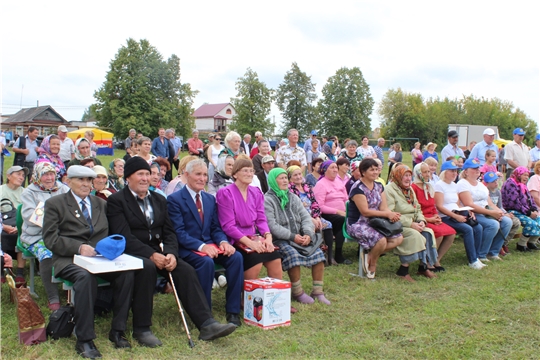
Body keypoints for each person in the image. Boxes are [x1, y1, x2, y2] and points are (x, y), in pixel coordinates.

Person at [107, 157, 236, 345]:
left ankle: (206, 324)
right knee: (148, 268)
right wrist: (151, 255)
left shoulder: (158, 199)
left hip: (160, 250)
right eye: (140, 174)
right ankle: (142, 328)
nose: (145, 178)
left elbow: (169, 231)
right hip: (133, 251)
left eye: (147, 174)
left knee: (185, 270)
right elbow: (123, 235)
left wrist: (171, 254)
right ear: (128, 177)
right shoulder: (116, 201)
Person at [43, 166, 136, 358]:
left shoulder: (100, 204)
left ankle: (118, 331)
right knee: (85, 278)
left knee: (127, 274)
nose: (86, 184)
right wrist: (78, 247)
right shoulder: (55, 203)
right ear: (68, 181)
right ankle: (84, 339)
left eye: (88, 180)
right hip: (69, 259)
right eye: (80, 180)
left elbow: (109, 233)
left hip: (99, 259)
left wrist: (111, 249)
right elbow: (50, 239)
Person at [167, 159, 244, 326]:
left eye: (205, 175)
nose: (202, 178)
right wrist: (202, 246)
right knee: (206, 262)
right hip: (188, 248)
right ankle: (204, 314)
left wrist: (223, 241)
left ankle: (233, 311)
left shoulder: (209, 199)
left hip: (211, 245)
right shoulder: (174, 200)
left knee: (236, 257)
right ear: (186, 175)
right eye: (198, 174)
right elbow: (179, 233)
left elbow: (215, 227)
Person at [265, 167, 330, 305]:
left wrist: (307, 234)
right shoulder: (267, 199)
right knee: (292, 255)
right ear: (273, 180)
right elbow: (272, 225)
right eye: (281, 178)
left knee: (318, 254)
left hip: (301, 236)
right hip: (282, 239)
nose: (284, 181)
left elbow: (306, 217)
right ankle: (297, 292)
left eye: (285, 178)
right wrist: (292, 236)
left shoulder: (293, 197)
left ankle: (317, 291)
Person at [216, 158, 282, 282]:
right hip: (235, 239)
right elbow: (228, 226)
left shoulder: (256, 192)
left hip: (254, 236)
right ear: (235, 174)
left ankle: (276, 296)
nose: (249, 174)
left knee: (275, 258)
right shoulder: (225, 193)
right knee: (255, 260)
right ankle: (245, 298)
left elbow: (261, 219)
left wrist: (268, 237)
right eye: (245, 170)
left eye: (251, 171)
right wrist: (250, 243)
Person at [21, 163, 70, 309]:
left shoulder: (63, 188)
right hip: (36, 235)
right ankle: (53, 296)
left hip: (62, 231)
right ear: (37, 176)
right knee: (47, 254)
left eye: (52, 174)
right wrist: (57, 222)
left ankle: (73, 289)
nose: (49, 178)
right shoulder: (29, 192)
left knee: (78, 248)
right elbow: (31, 215)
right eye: (45, 174)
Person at [347, 159, 404, 278]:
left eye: (377, 169)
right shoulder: (357, 188)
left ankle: (370, 256)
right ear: (363, 171)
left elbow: (384, 207)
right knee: (381, 240)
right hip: (358, 223)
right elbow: (365, 212)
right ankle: (373, 264)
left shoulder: (379, 186)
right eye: (371, 170)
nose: (375, 172)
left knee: (398, 239)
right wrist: (387, 215)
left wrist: (392, 215)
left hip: (377, 221)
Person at [385, 165, 438, 282]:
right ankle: (403, 271)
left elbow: (417, 208)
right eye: (405, 176)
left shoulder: (410, 189)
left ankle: (423, 267)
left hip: (413, 222)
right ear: (398, 176)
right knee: (415, 235)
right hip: (396, 224)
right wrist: (411, 224)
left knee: (428, 232)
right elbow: (391, 213)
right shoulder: (389, 189)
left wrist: (421, 221)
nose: (408, 179)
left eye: (409, 175)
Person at [457, 158, 512, 261]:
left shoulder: (480, 185)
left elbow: (489, 202)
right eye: (473, 168)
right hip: (472, 214)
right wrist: (491, 213)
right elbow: (469, 204)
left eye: (478, 168)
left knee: (507, 221)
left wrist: (499, 212)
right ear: (466, 172)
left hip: (486, 211)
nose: (477, 170)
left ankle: (493, 252)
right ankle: (481, 254)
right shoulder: (462, 183)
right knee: (493, 224)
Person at [434, 161, 485, 269]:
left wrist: (466, 210)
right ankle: (472, 260)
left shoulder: (454, 185)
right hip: (445, 216)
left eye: (456, 171)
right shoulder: (439, 185)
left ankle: (476, 257)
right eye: (451, 171)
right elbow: (439, 206)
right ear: (444, 172)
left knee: (478, 227)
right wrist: (455, 216)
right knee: (467, 229)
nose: (454, 173)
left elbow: (456, 203)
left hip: (456, 213)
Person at [411, 163, 456, 271]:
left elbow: (432, 205)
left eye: (429, 172)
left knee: (451, 233)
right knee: (438, 234)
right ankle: (428, 262)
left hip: (432, 217)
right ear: (418, 173)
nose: (428, 174)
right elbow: (413, 210)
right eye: (425, 172)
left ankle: (436, 258)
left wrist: (436, 215)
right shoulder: (413, 188)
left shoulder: (428, 186)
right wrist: (429, 219)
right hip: (421, 218)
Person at [288, 165, 335, 266]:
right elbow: (295, 208)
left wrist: (317, 217)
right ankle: (312, 255)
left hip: (313, 216)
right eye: (295, 175)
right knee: (311, 226)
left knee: (327, 224)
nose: (298, 177)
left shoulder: (307, 187)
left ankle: (329, 256)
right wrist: (310, 219)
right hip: (300, 218)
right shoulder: (290, 190)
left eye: (300, 174)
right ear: (290, 177)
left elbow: (315, 203)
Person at [313, 160, 351, 264]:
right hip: (327, 214)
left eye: (335, 168)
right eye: (332, 168)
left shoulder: (339, 182)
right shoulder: (321, 184)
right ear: (325, 170)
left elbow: (346, 198)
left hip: (342, 212)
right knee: (341, 220)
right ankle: (338, 255)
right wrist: (337, 211)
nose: (335, 170)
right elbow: (319, 206)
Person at [0, 166, 28, 286]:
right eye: (18, 174)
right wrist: (3, 226)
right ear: (8, 176)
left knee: (24, 234)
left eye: (23, 175)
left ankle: (20, 272)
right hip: (3, 223)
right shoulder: (1, 190)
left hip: (20, 225)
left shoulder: (25, 192)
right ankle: (1, 269)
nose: (21, 177)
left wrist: (20, 226)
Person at [501, 166, 540, 252]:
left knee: (539, 220)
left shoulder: (523, 185)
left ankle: (531, 242)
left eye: (527, 175)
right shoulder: (510, 183)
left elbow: (530, 199)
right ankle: (521, 245)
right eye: (524, 175)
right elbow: (514, 203)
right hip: (512, 210)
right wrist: (529, 213)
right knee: (531, 223)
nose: (526, 177)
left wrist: (534, 209)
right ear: (518, 174)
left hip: (523, 210)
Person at [483, 171, 520, 256]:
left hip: (499, 212)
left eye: (496, 181)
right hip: (490, 214)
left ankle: (503, 243)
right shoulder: (485, 192)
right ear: (487, 183)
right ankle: (496, 246)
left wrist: (506, 213)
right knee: (502, 223)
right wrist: (504, 214)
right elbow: (488, 207)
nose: (496, 183)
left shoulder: (497, 192)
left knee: (516, 222)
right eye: (493, 181)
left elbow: (500, 206)